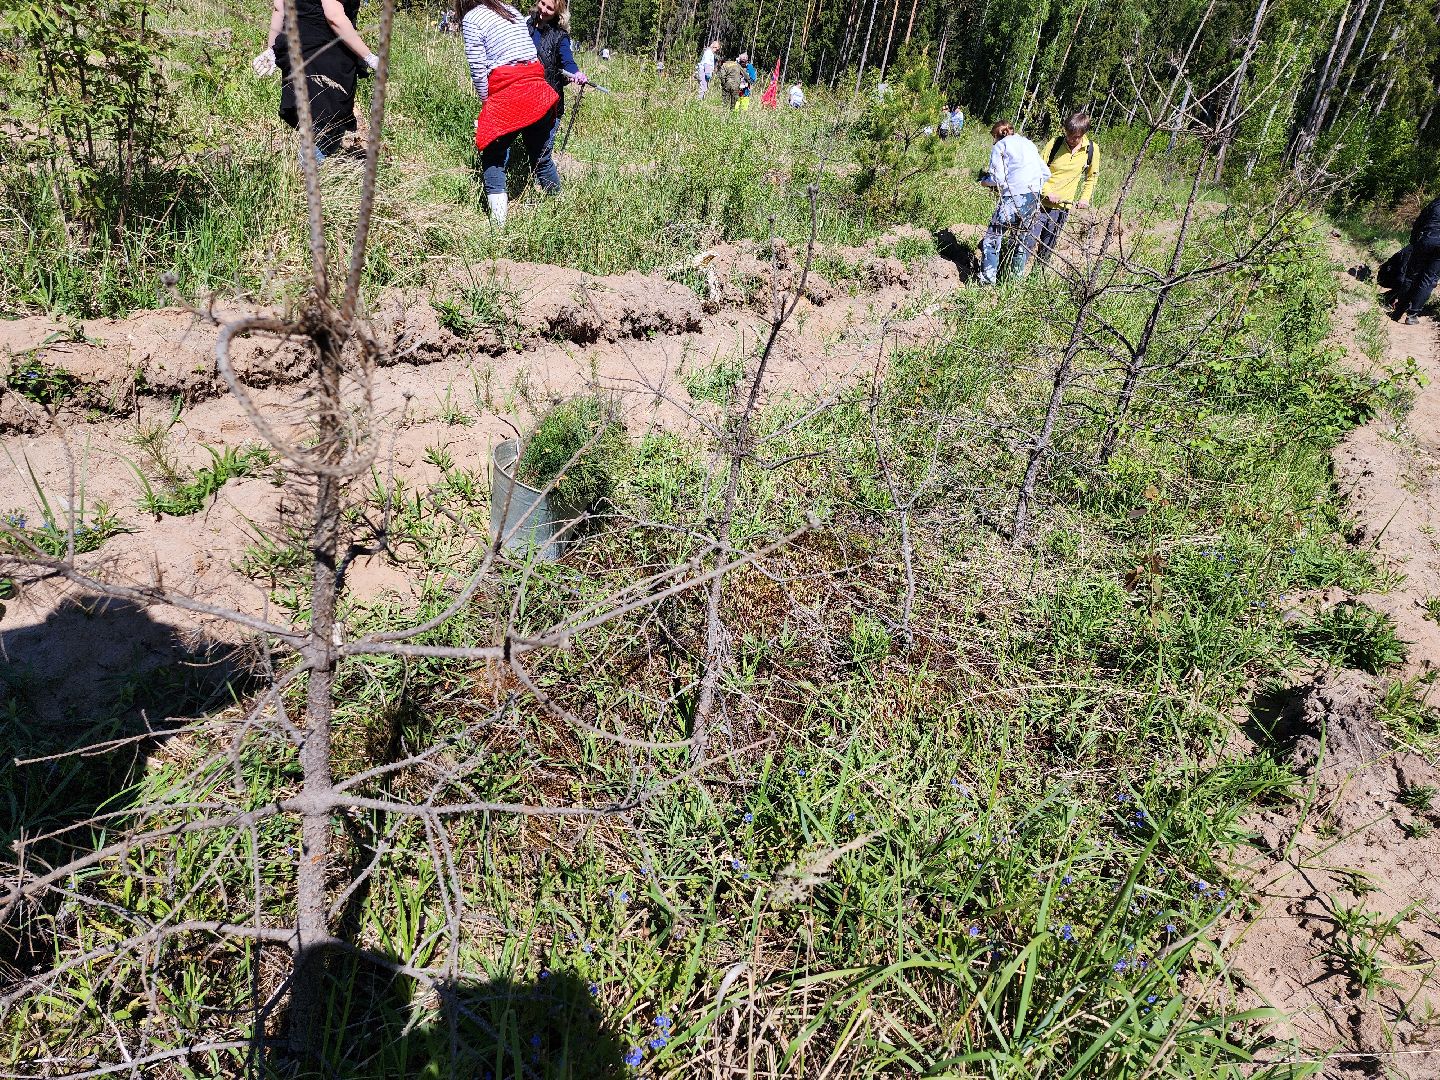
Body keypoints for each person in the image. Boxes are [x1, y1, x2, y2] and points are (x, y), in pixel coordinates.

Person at [460, 0, 560, 226]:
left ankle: (499, 227)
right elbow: (530, 53)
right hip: (538, 90)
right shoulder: (509, 9)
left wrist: (488, 103)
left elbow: (478, 69)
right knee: (542, 159)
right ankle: (560, 209)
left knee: (493, 157)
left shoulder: (472, 18)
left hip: (510, 92)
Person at [252, 0, 379, 165]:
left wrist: (273, 49)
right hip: (324, 52)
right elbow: (334, 16)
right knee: (328, 124)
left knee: (316, 119)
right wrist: (369, 57)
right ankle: (307, 173)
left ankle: (305, 171)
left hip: (294, 46)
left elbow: (279, 8)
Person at [977, 120, 1050, 285]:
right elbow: (1046, 173)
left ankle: (988, 281)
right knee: (1021, 241)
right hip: (1033, 197)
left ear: (996, 135)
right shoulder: (1029, 144)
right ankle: (1015, 283)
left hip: (1013, 197)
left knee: (993, 237)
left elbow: (998, 179)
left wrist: (984, 182)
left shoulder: (1000, 146)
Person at [527, 0, 585, 188]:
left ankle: (554, 197)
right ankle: (531, 187)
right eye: (542, 3)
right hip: (524, 100)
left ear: (557, 12)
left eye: (549, 8)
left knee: (541, 156)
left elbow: (568, 62)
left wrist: (576, 74)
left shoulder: (560, 36)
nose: (543, 10)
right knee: (529, 149)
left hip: (549, 106)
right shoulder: (525, 25)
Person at [1032, 111, 1101, 266]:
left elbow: (1091, 177)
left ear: (1083, 134)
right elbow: (1037, 169)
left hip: (1061, 209)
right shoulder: (1055, 143)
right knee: (1027, 243)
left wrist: (1085, 198)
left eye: (1075, 137)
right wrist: (1047, 191)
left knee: (1046, 249)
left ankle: (1037, 275)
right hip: (1038, 204)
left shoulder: (1091, 150)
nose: (1070, 139)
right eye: (1068, 134)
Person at [1393, 196, 1440, 325]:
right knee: (1429, 279)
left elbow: (1419, 222)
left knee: (1411, 276)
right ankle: (1412, 315)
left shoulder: (1435, 204)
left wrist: (1413, 241)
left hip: (1426, 240)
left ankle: (1398, 312)